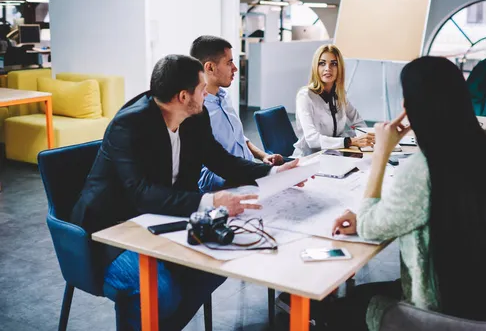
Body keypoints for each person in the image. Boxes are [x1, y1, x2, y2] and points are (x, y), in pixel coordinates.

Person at [71, 55, 300, 331]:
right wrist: (211, 200)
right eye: (202, 88)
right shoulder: (129, 125)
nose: (207, 93)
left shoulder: (194, 116)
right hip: (106, 234)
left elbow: (219, 158)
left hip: (158, 221)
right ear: (183, 96)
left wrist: (272, 172)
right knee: (161, 291)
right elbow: (141, 193)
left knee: (216, 267)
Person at [329, 56, 486, 331]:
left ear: (411, 105)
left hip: (440, 312)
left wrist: (381, 155)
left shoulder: (425, 167)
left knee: (335, 311)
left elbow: (372, 227)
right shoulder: (482, 151)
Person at [190, 35, 284, 193]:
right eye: (229, 62)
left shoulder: (224, 97)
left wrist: (263, 157)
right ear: (210, 67)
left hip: (249, 175)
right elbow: (205, 172)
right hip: (227, 187)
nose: (235, 68)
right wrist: (246, 177)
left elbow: (239, 138)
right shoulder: (196, 110)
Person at [293, 44, 373, 156]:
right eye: (322, 63)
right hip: (309, 158)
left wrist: (368, 138)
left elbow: (359, 123)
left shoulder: (340, 94)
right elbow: (312, 140)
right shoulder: (305, 96)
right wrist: (350, 141)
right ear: (316, 67)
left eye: (334, 64)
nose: (328, 68)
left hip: (335, 154)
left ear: (339, 68)